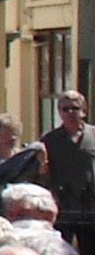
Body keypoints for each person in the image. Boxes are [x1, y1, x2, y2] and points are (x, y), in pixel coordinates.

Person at [44, 91, 95, 228]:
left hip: (90, 204)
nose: (70, 112)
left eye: (75, 108)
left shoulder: (93, 135)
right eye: (65, 109)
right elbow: (42, 171)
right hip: (62, 205)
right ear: (59, 112)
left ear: (83, 111)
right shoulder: (49, 140)